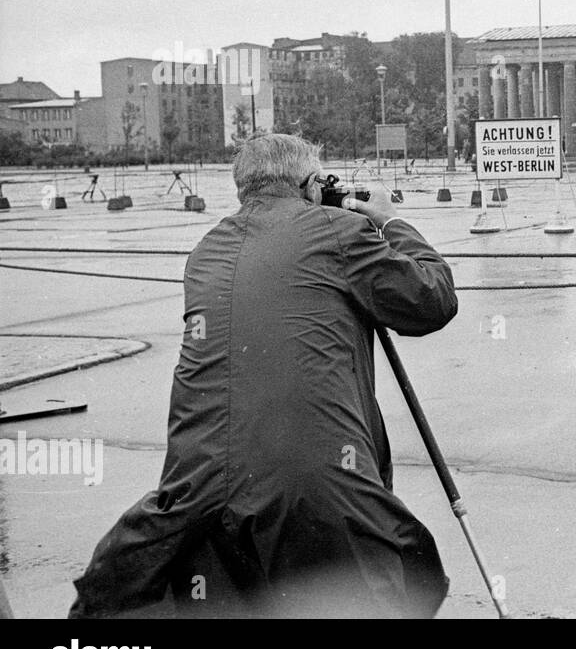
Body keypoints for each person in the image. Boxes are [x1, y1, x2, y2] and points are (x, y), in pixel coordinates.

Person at [69, 134, 459, 618]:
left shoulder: (206, 249)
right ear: (313, 184)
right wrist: (389, 219)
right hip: (315, 486)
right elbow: (432, 301)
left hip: (199, 487)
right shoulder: (339, 232)